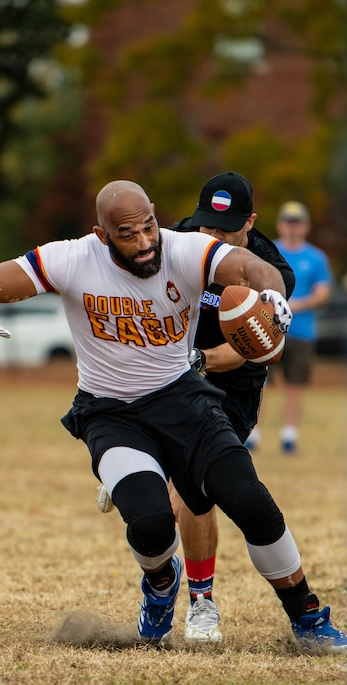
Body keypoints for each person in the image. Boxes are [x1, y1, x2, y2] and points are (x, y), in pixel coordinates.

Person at [0, 179, 347, 653]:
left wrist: (271, 296)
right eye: (127, 235)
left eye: (148, 228)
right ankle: (161, 583)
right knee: (152, 523)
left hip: (183, 399)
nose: (143, 244)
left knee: (251, 500)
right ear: (102, 236)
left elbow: (251, 266)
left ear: (157, 217)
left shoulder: (185, 249)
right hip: (111, 413)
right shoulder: (73, 258)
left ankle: (307, 617)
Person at [100, 172, 295, 642]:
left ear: (250, 222)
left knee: (195, 490)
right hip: (170, 380)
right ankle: (135, 467)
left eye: (225, 230)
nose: (212, 238)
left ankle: (202, 602)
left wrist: (198, 359)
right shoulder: (178, 239)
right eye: (206, 225)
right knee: (157, 485)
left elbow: (261, 347)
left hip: (232, 388)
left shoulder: (271, 270)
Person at [250, 201, 332, 454]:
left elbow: (323, 293)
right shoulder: (268, 252)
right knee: (259, 383)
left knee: (295, 385)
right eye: (288, 222)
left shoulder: (316, 258)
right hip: (268, 329)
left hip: (302, 332)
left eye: (297, 223)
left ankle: (289, 436)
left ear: (305, 227)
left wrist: (293, 305)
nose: (292, 228)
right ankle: (252, 433)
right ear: (280, 224)